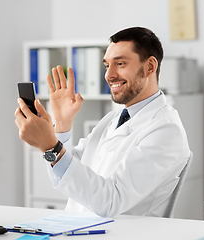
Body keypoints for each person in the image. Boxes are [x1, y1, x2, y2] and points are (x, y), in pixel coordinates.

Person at [14, 27, 190, 218]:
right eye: (107, 66)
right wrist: (62, 127)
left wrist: (49, 145)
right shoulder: (114, 119)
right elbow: (65, 172)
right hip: (75, 228)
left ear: (150, 67)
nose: (109, 75)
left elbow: (111, 201)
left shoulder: (166, 130)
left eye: (120, 63)